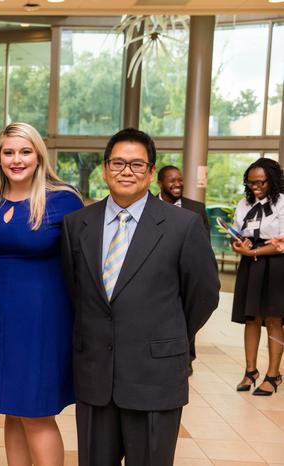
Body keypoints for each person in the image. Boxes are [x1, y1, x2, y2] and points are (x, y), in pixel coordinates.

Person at [61, 128, 220, 466]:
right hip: (95, 376)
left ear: (151, 172)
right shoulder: (77, 224)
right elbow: (76, 293)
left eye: (136, 164)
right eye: (117, 163)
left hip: (155, 374)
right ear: (105, 169)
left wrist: (167, 333)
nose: (126, 171)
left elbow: (203, 295)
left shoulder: (183, 225)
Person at [0, 122, 83, 466]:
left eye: (24, 151)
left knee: (36, 411)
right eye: (8, 152)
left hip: (41, 318)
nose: (16, 159)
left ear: (38, 156)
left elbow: (82, 262)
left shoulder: (63, 199)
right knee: (11, 409)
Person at [230, 158, 284, 396]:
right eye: (251, 183)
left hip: (276, 264)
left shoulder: (283, 203)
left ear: (272, 180)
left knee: (273, 319)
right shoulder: (244, 204)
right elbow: (237, 233)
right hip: (251, 264)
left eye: (260, 182)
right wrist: (240, 244)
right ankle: (250, 371)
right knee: (251, 318)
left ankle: (273, 375)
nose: (256, 187)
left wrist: (254, 251)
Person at [156, 164, 210, 375]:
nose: (177, 183)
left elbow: (203, 246)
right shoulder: (146, 205)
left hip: (186, 274)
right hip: (159, 273)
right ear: (159, 182)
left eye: (180, 179)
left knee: (186, 314)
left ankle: (186, 358)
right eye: (172, 180)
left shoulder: (195, 208)